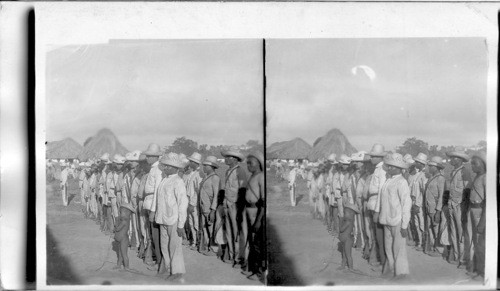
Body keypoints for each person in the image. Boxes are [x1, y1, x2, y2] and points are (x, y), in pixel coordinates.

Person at [154, 152, 189, 282]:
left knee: (175, 246)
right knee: (165, 245)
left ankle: (177, 271)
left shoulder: (178, 182)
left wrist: (181, 224)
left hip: (173, 219)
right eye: (166, 166)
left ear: (176, 168)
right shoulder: (164, 180)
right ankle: (169, 268)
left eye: (170, 166)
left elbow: (182, 204)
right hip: (163, 218)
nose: (167, 168)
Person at [376, 153, 411, 280]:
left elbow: (406, 204)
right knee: (388, 247)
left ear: (399, 168)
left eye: (393, 167)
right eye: (389, 166)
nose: (389, 168)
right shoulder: (388, 181)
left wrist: (404, 225)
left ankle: (401, 273)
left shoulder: (402, 182)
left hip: (397, 220)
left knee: (398, 248)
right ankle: (390, 270)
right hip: (386, 219)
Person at [446, 146, 473, 268]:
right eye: (451, 157)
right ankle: (456, 255)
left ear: (460, 159)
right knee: (453, 231)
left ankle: (463, 259)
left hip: (460, 205)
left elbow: (467, 192)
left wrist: (464, 209)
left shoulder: (465, 172)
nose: (451, 160)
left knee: (461, 233)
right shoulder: (452, 172)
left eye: (454, 158)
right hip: (452, 204)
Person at [221, 148, 247, 267]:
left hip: (235, 205)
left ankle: (239, 258)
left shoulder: (240, 171)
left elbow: (242, 190)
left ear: (235, 159)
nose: (226, 159)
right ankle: (232, 256)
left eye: (228, 157)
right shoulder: (228, 171)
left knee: (236, 232)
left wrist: (240, 207)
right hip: (227, 203)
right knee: (229, 231)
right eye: (226, 157)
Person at [242, 151, 265, 281]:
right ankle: (253, 268)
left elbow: (263, 201)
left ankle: (258, 272)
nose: (248, 165)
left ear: (258, 164)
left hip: (256, 213)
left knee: (257, 243)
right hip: (249, 211)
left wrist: (258, 221)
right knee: (252, 241)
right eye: (247, 163)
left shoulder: (261, 177)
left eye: (250, 163)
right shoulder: (252, 176)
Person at [142, 143, 164, 271]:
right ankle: (156, 259)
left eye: (149, 156)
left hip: (153, 205)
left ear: (156, 157)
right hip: (148, 202)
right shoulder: (152, 169)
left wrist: (153, 210)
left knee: (156, 235)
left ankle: (160, 263)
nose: (147, 158)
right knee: (152, 234)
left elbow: (157, 190)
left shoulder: (158, 170)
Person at [366, 143, 387, 267]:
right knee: (376, 234)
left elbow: (381, 191)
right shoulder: (377, 169)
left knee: (379, 236)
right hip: (373, 205)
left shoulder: (382, 170)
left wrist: (378, 211)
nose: (372, 158)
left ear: (380, 157)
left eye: (374, 156)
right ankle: (379, 258)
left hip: (377, 206)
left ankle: (383, 261)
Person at [466, 151, 486, 278]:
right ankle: (477, 268)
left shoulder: (485, 178)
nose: (472, 166)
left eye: (475, 163)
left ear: (482, 164)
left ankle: (482, 271)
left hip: (480, 212)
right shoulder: (476, 177)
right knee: (475, 241)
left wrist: (482, 222)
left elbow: (488, 202)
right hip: (473, 210)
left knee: (480, 242)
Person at [423, 156, 446, 257]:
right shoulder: (431, 177)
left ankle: (438, 249)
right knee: (430, 228)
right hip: (428, 206)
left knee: (436, 228)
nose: (429, 168)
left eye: (431, 166)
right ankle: (433, 247)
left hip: (435, 208)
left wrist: (438, 211)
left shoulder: (441, 179)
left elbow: (441, 195)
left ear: (436, 167)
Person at [198, 156, 220, 256]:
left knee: (211, 227)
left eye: (206, 166)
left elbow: (216, 195)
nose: (204, 167)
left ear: (211, 166)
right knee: (204, 227)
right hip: (203, 207)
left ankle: (212, 248)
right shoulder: (206, 177)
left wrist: (213, 210)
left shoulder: (215, 178)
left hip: (209, 207)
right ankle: (206, 246)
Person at [184, 152, 204, 251]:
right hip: (189, 201)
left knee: (196, 223)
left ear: (195, 163)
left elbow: (197, 191)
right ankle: (194, 242)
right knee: (191, 222)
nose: (190, 163)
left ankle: (198, 243)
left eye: (191, 161)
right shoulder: (191, 173)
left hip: (193, 203)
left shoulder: (199, 175)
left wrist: (192, 203)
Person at [408, 153, 428, 250]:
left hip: (419, 203)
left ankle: (423, 243)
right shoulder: (416, 174)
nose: (415, 163)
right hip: (414, 202)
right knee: (416, 223)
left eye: (417, 162)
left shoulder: (423, 176)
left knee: (421, 224)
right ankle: (419, 242)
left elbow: (423, 192)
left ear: (421, 164)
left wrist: (418, 204)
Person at [338, 202, 360, 272]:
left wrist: (340, 220)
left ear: (351, 214)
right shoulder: (347, 220)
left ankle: (351, 267)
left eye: (345, 213)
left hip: (347, 240)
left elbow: (341, 229)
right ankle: (343, 265)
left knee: (348, 254)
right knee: (344, 254)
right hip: (345, 240)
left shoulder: (348, 222)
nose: (344, 214)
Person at [113, 203, 136, 270]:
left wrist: (116, 224)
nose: (120, 214)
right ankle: (119, 265)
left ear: (127, 213)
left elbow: (117, 229)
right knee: (120, 253)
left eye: (121, 212)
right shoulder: (123, 220)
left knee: (124, 254)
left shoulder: (124, 221)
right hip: (121, 240)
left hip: (124, 240)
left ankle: (127, 267)